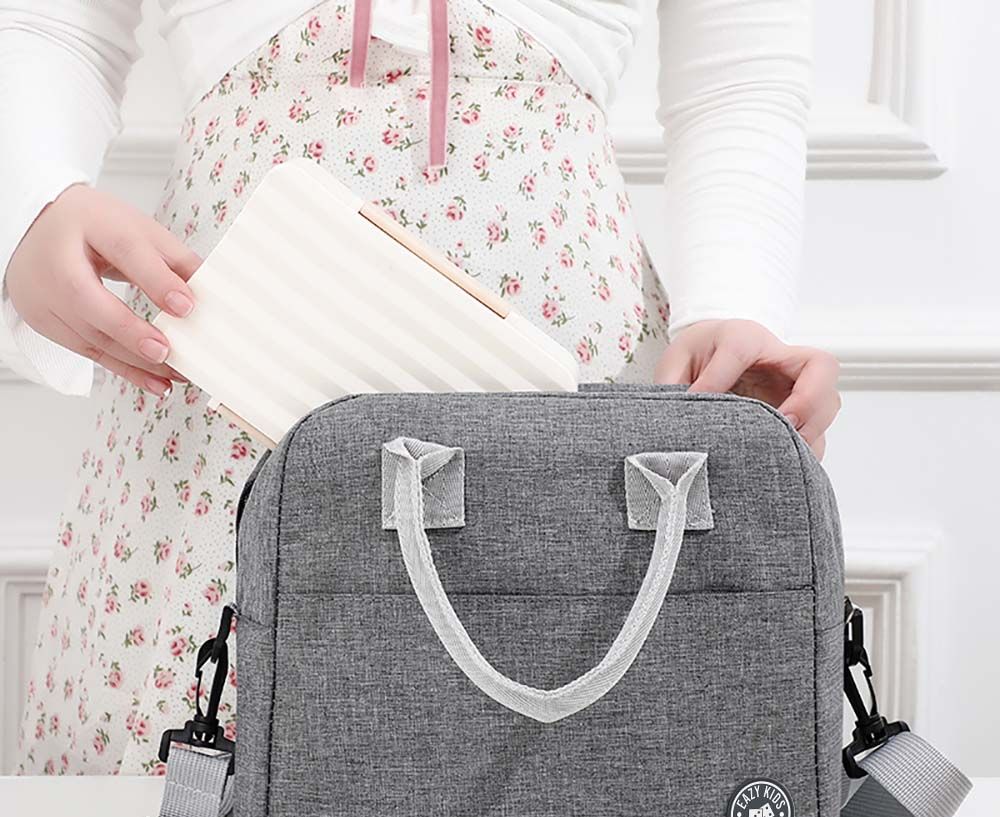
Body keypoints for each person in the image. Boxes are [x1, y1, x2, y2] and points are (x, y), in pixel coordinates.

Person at [1, 0, 839, 776]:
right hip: (231, 359)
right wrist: (31, 204)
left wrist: (737, 303)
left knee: (585, 796)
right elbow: (55, 24)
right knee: (190, 816)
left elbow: (740, 74)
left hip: (572, 369)